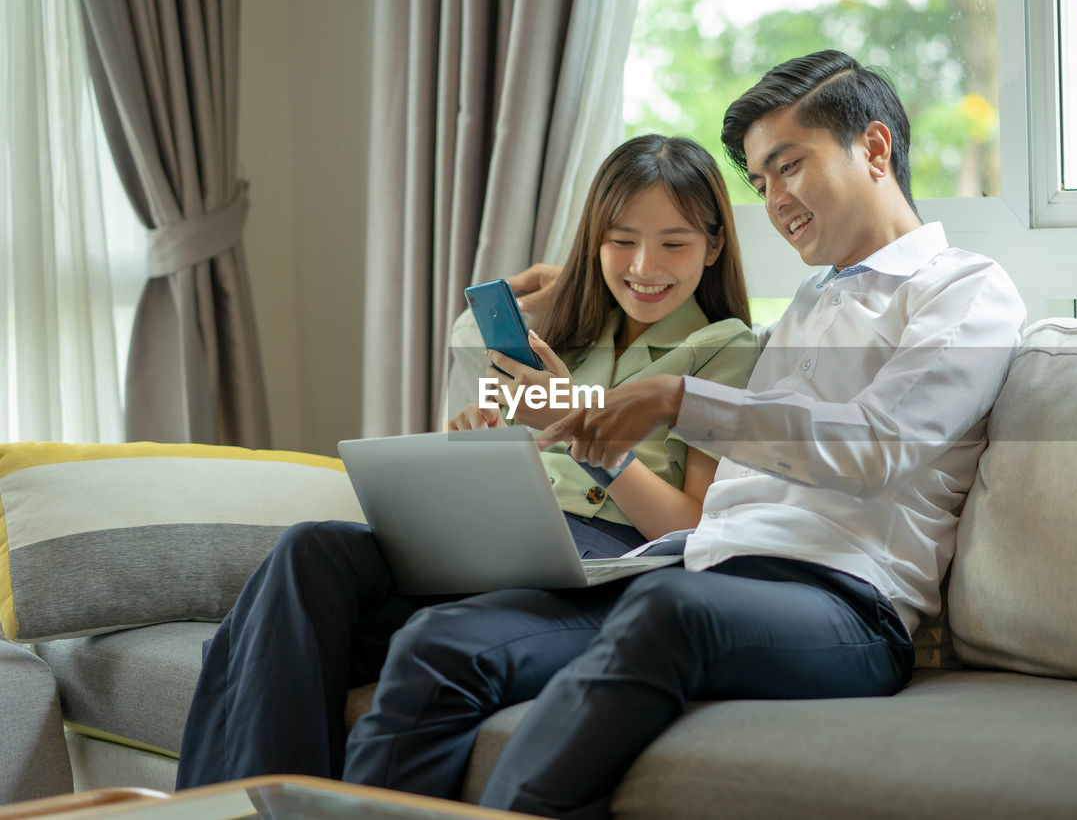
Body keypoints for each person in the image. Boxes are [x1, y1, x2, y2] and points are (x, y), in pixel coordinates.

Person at [334, 49, 1027, 817]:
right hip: (699, 569)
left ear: (873, 148)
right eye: (762, 183)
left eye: (788, 166)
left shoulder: (964, 290)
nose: (776, 200)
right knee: (440, 641)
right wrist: (583, 400)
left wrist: (676, 398)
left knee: (663, 614)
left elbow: (879, 446)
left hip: (844, 602)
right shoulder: (811, 302)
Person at [174, 134, 759, 788]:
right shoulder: (569, 338)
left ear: (713, 246)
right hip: (504, 537)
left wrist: (574, 429)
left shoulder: (724, 348)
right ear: (593, 241)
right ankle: (255, 805)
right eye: (621, 239)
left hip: (602, 565)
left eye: (673, 242)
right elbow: (517, 443)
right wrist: (476, 443)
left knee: (264, 636)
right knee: (309, 552)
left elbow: (693, 526)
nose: (644, 264)